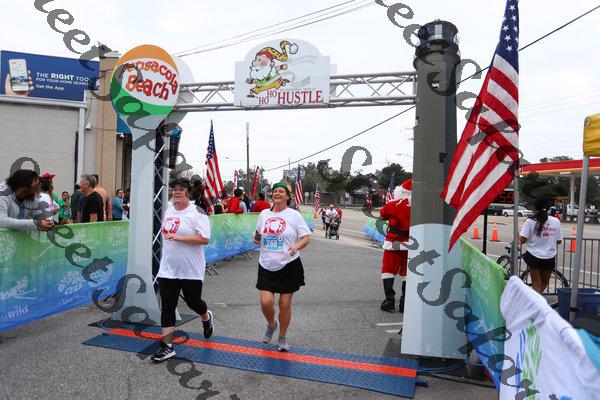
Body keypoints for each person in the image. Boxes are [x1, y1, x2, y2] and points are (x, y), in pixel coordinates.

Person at [151, 178, 214, 362]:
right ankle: (167, 346)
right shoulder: (169, 211)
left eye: (181, 189)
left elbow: (205, 239)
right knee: (168, 305)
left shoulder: (198, 212)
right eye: (174, 189)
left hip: (190, 269)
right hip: (168, 268)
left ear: (189, 192)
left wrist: (181, 238)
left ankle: (206, 316)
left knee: (194, 302)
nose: (177, 192)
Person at [252, 180, 311, 352]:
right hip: (266, 263)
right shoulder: (264, 214)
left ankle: (282, 337)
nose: (277, 193)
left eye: (281, 191)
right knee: (266, 302)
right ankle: (272, 324)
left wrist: (296, 246)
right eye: (275, 191)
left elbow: (306, 238)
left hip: (289, 264)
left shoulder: (294, 215)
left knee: (284, 304)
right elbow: (258, 234)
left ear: (287, 196)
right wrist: (256, 239)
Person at [379, 179, 412, 313]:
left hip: (393, 243)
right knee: (408, 273)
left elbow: (382, 216)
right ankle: (404, 303)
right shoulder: (420, 207)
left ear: (401, 191)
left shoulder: (393, 204)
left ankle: (389, 301)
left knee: (388, 270)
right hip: (411, 243)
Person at [519, 198, 563, 294]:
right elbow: (559, 241)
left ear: (535, 208)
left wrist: (519, 234)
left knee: (536, 284)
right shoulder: (556, 221)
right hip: (549, 257)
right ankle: (535, 299)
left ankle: (532, 301)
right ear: (549, 208)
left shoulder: (530, 221)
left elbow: (522, 240)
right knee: (544, 283)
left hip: (533, 256)